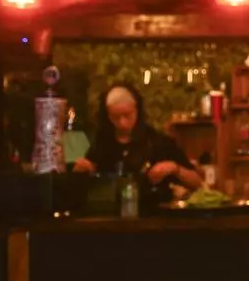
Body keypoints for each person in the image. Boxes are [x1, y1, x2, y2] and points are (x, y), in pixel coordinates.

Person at [72, 84, 205, 207]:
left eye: (127, 115)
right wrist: (82, 171)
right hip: (110, 215)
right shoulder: (102, 143)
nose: (122, 122)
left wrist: (174, 168)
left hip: (154, 217)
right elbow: (89, 182)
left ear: (137, 110)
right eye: (115, 117)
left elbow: (197, 183)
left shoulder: (157, 141)